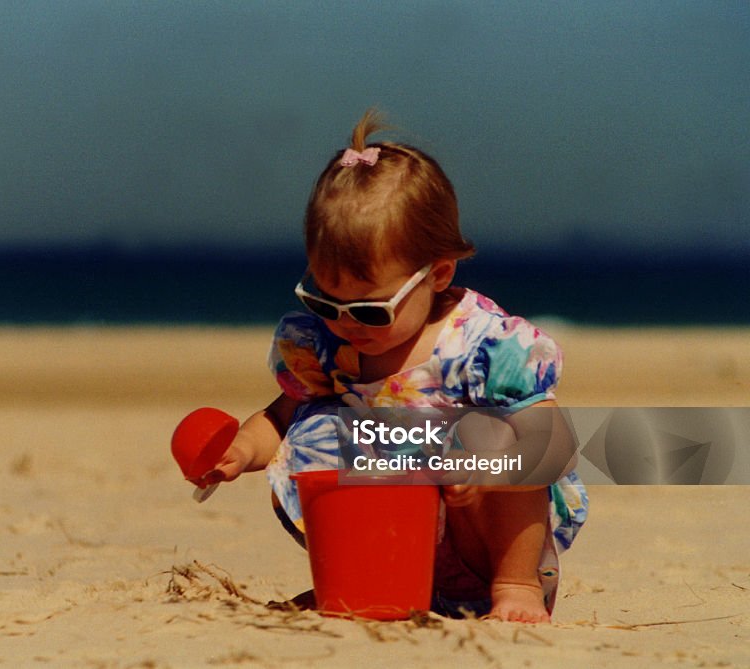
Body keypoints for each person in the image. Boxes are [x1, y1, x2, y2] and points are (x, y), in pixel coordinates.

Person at [196, 110, 587, 623]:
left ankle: (517, 589)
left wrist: (485, 471)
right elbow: (282, 415)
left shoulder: (483, 347)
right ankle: (359, 584)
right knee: (319, 428)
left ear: (438, 274)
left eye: (368, 310)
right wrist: (241, 449)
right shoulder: (325, 347)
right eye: (324, 301)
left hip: (482, 548)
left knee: (498, 436)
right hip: (392, 550)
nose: (344, 323)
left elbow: (553, 446)